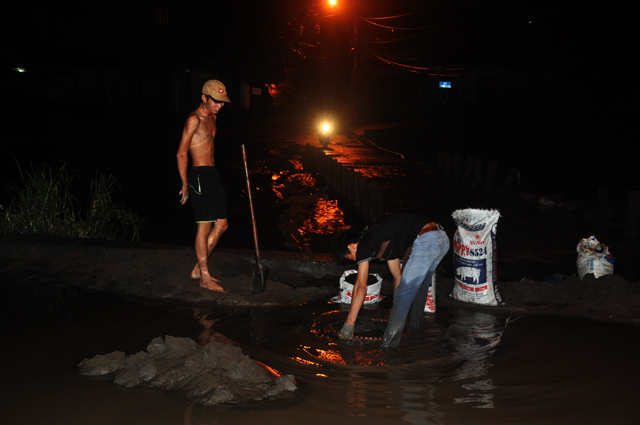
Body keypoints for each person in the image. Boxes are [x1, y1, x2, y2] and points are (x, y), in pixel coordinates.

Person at [334, 213, 450, 348]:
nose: (355, 260)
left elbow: (361, 286)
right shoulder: (381, 239)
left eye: (350, 257)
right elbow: (397, 276)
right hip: (441, 237)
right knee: (421, 286)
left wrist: (348, 325)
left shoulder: (364, 244)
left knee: (404, 295)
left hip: (427, 240)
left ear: (351, 247)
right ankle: (416, 328)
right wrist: (397, 311)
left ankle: (388, 348)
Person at [177, 80, 231, 293]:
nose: (220, 105)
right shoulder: (193, 120)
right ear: (204, 98)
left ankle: (198, 269)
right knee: (205, 225)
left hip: (212, 174)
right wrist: (184, 182)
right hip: (199, 175)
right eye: (216, 101)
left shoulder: (213, 117)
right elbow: (181, 152)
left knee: (222, 224)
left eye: (222, 102)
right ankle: (204, 278)